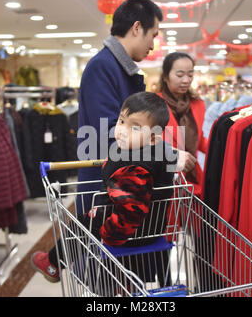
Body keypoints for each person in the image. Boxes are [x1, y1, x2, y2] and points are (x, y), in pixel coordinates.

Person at [31, 92, 177, 283]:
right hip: (151, 227)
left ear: (152, 139)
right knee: (86, 219)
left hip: (130, 232)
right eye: (122, 121)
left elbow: (131, 211)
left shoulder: (134, 166)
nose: (123, 130)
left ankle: (53, 263)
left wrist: (110, 235)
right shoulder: (154, 153)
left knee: (85, 222)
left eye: (135, 127)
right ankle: (54, 261)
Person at [75, 0, 164, 216]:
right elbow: (109, 132)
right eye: (152, 35)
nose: (152, 45)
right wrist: (164, 154)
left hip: (118, 186)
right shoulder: (103, 67)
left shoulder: (120, 70)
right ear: (137, 28)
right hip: (102, 189)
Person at [158, 52, 207, 197]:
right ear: (166, 76)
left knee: (194, 218)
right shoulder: (154, 104)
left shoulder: (198, 104)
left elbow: (199, 138)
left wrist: (222, 149)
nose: (186, 80)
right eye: (180, 75)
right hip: (165, 177)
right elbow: (146, 143)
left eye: (190, 75)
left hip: (192, 175)